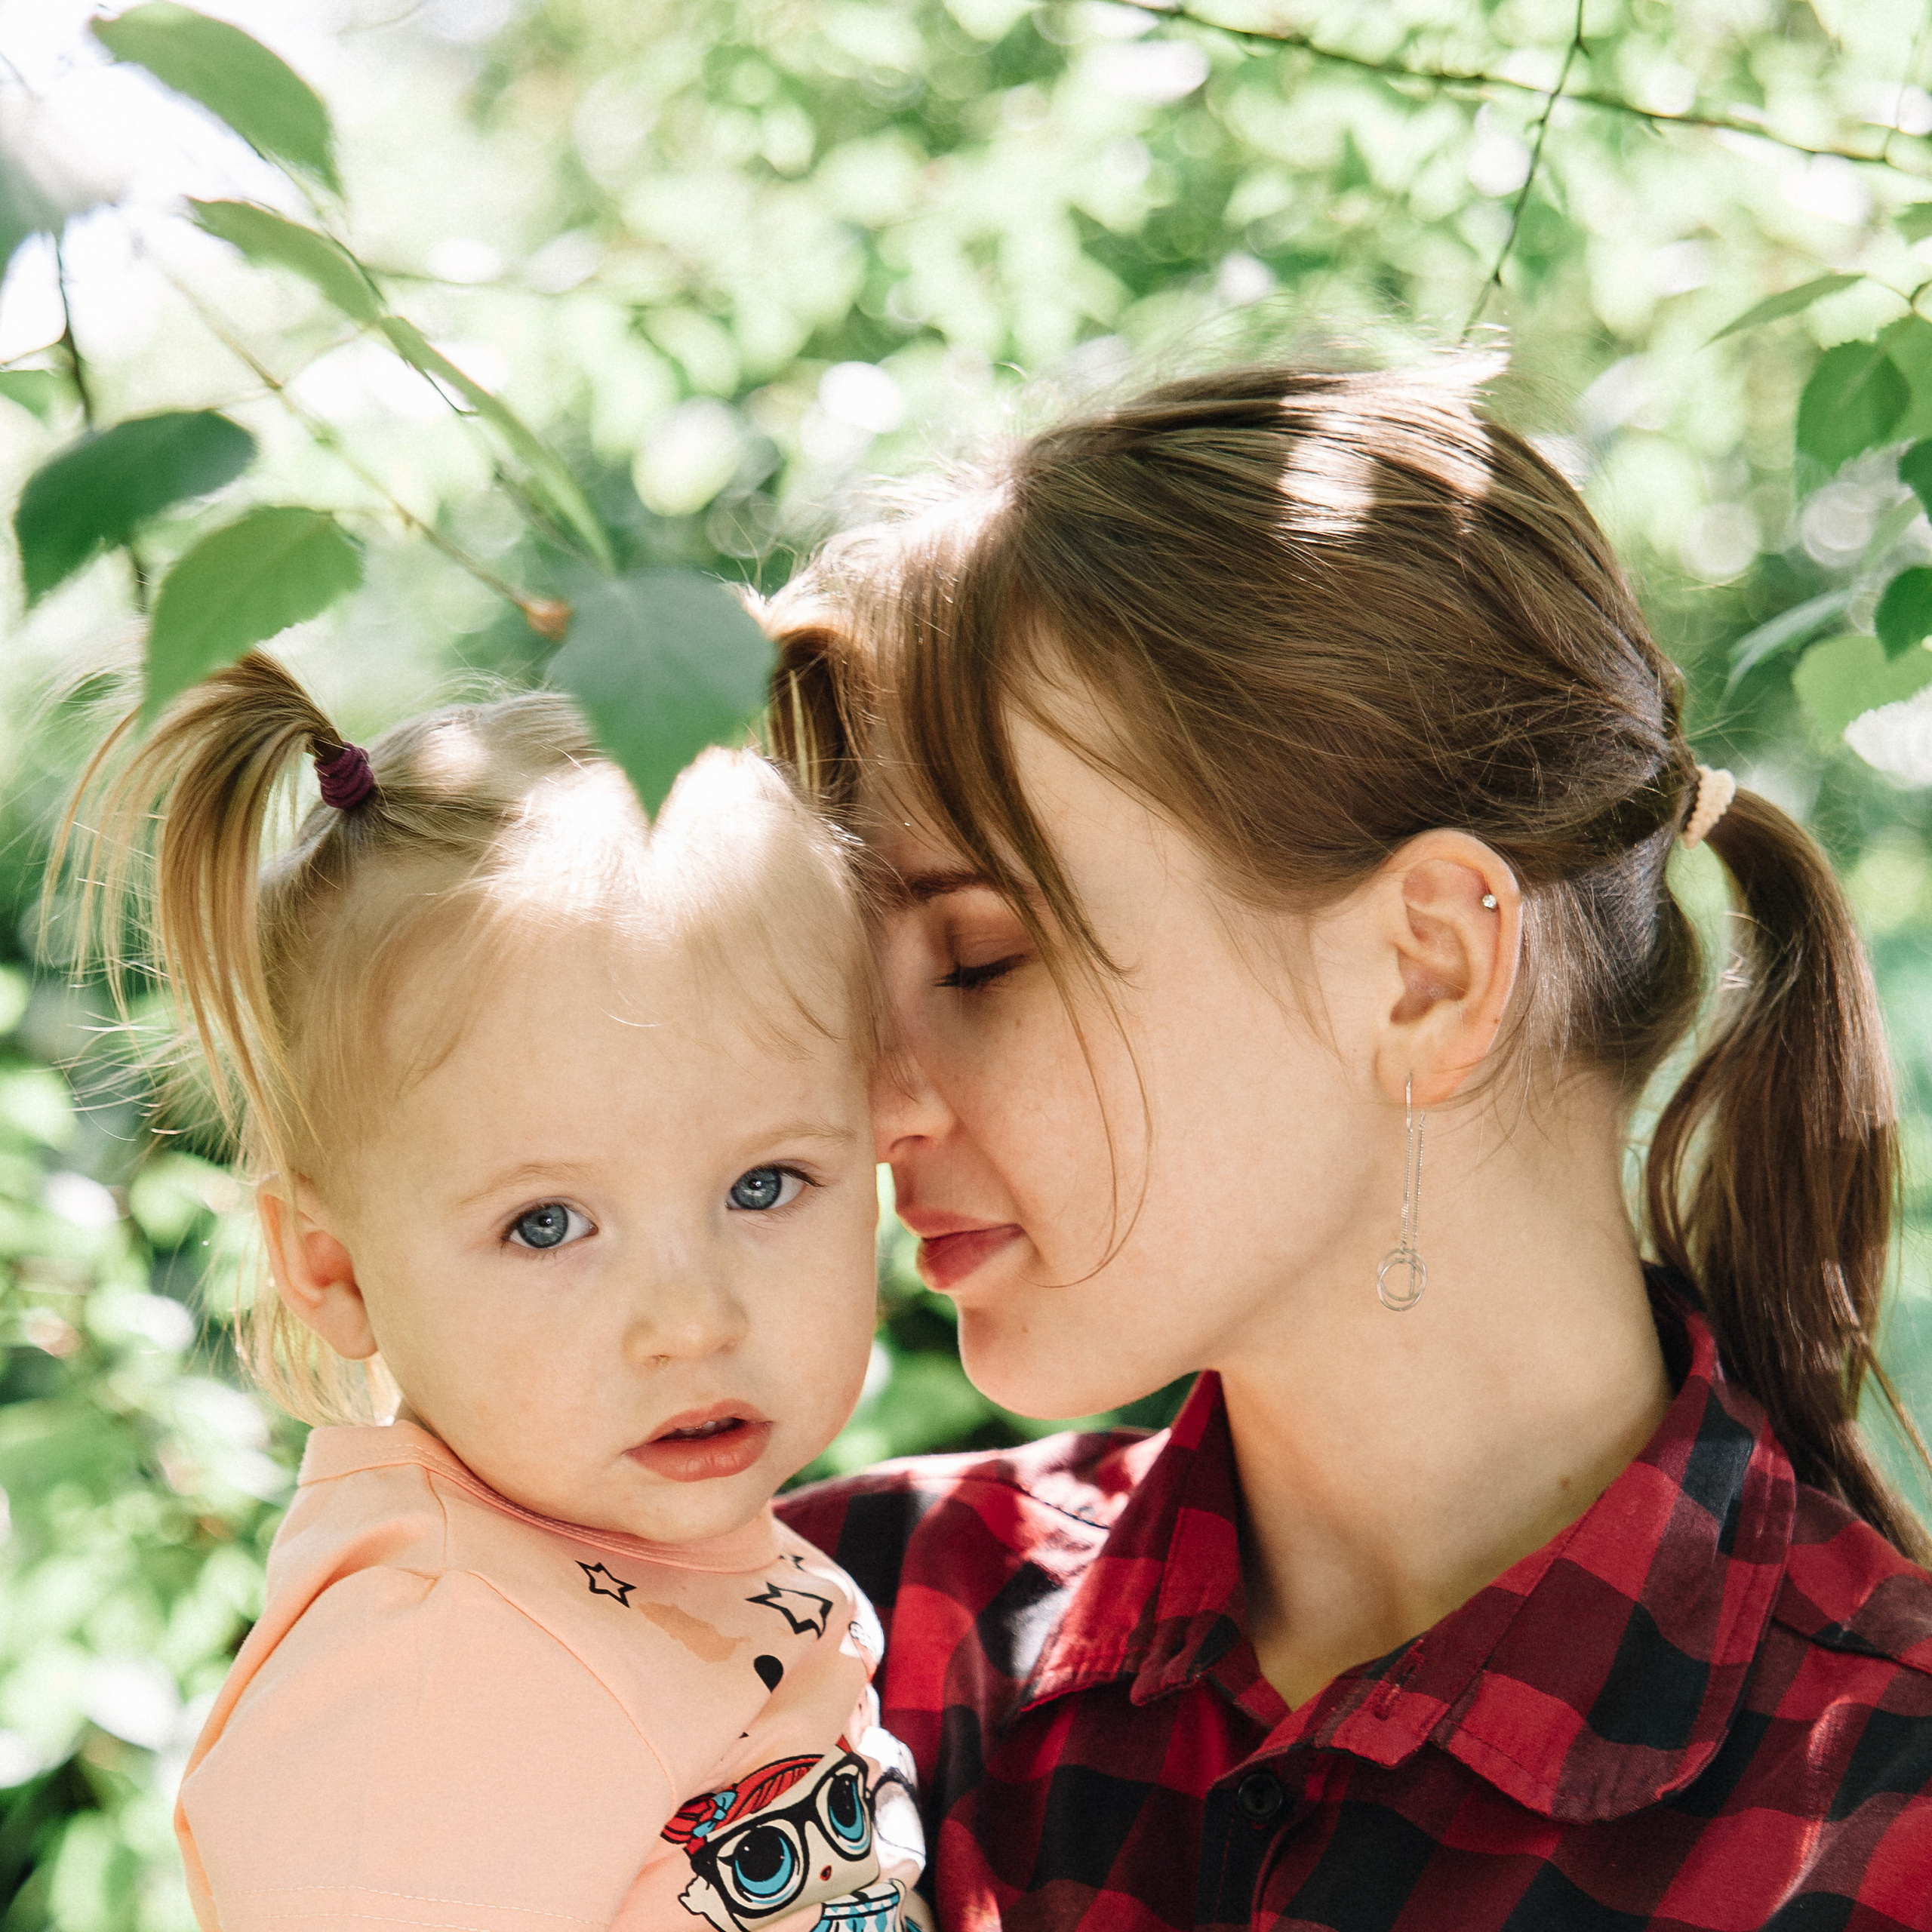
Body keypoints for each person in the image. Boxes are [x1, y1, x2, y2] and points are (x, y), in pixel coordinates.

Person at [767, 359, 1932, 1930]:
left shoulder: (1882, 1810)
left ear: (1423, 968)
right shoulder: (811, 1646)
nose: (871, 1097)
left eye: (976, 956)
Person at [56, 654, 927, 1932]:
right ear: (332, 1270)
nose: (691, 1321)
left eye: (764, 1186)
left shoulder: (631, 1556)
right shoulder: (430, 1682)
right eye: (547, 1224)